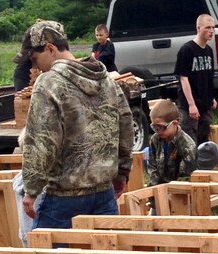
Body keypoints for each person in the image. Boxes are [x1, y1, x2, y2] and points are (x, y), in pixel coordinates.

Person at [20, 20, 133, 228]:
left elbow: (41, 141)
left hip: (64, 198)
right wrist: (122, 173)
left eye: (35, 59)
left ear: (50, 48)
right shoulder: (106, 81)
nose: (35, 67)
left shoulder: (48, 83)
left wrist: (31, 189)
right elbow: (126, 130)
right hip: (104, 193)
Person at [175, 14, 217, 145]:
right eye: (207, 27)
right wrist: (191, 105)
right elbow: (183, 79)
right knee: (189, 142)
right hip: (189, 106)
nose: (211, 31)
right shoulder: (187, 50)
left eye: (213, 28)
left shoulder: (209, 51)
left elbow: (209, 77)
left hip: (205, 104)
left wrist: (212, 98)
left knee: (203, 140)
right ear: (198, 28)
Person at [146, 99, 197, 186]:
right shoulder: (155, 140)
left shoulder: (187, 146)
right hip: (158, 189)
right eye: (154, 127)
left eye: (160, 127)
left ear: (174, 124)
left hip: (179, 191)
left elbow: (184, 178)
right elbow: (152, 167)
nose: (157, 131)